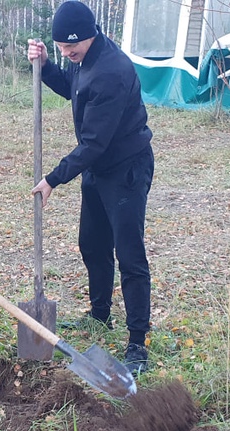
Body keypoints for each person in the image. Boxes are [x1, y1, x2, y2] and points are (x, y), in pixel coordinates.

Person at [27, 1, 155, 375]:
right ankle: (100, 315)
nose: (68, 54)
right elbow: (72, 88)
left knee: (129, 255)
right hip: (98, 169)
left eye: (72, 48)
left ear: (91, 35)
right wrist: (48, 66)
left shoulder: (112, 71)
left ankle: (137, 341)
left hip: (125, 169)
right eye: (63, 49)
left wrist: (53, 178)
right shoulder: (84, 58)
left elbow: (94, 143)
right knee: (93, 244)